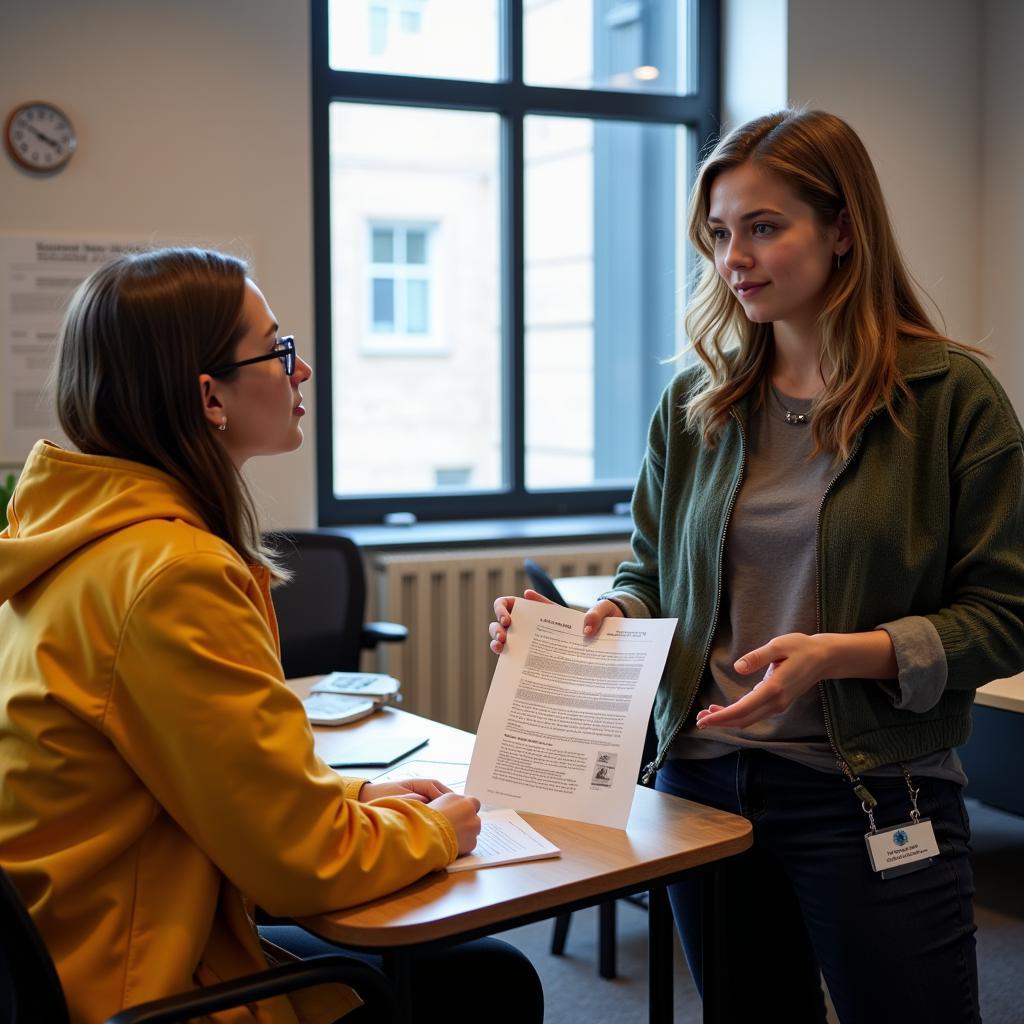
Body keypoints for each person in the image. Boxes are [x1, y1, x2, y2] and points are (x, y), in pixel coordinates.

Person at [489, 109, 1024, 1022]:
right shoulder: (699, 402)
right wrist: (613, 617)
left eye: (765, 227)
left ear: (845, 228)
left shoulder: (949, 399)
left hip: (868, 790)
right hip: (700, 779)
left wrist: (841, 653)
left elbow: (1008, 614)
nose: (734, 257)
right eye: (721, 233)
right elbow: (650, 567)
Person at [0, 247, 543, 1024]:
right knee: (488, 980)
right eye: (279, 350)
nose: (303, 372)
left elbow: (202, 782)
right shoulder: (170, 574)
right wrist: (432, 829)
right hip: (140, 986)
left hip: (75, 953)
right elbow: (301, 867)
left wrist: (358, 794)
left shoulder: (73, 540)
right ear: (209, 397)